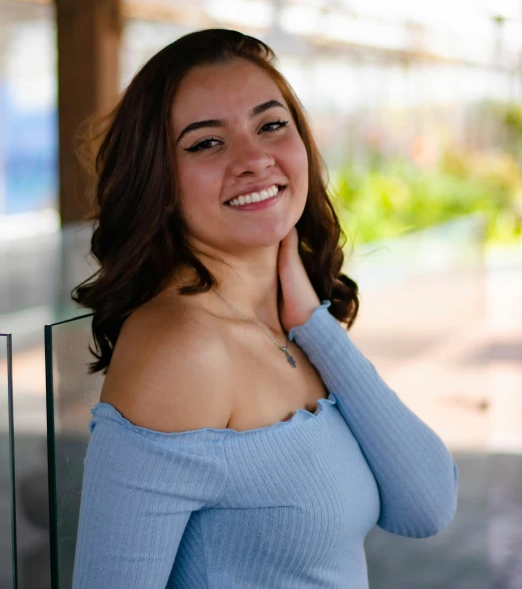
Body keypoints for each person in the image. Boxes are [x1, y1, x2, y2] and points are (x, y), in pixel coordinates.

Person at [71, 29, 458, 588]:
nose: (254, 158)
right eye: (206, 142)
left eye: (271, 125)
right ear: (158, 179)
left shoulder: (287, 328)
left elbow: (426, 505)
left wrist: (314, 324)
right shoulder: (180, 347)